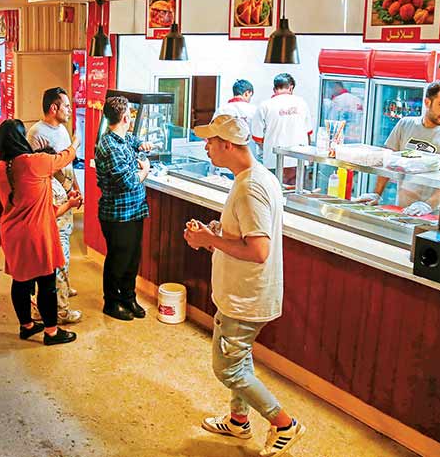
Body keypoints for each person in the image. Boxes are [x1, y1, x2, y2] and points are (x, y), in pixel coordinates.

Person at [183, 115, 306, 456]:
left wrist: (210, 239)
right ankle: (239, 421)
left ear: (227, 145)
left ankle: (284, 423)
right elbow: (246, 237)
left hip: (245, 298)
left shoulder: (251, 188)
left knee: (228, 369)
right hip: (241, 293)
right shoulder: (251, 178)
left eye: (211, 141)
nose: (206, 147)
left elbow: (259, 250)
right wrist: (215, 235)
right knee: (241, 359)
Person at [0, 119, 79, 346]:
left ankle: (27, 326)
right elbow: (66, 157)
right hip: (37, 233)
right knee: (47, 283)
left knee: (20, 282)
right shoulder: (34, 162)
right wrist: (76, 140)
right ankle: (51, 332)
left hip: (11, 234)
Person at [358, 80, 440, 216]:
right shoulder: (405, 124)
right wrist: (376, 194)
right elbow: (388, 161)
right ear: (427, 102)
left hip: (433, 213)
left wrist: (427, 206)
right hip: (402, 207)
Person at [95, 96, 154, 321]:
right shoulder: (109, 146)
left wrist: (141, 143)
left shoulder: (121, 138)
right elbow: (128, 181)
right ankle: (111, 302)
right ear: (126, 117)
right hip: (117, 214)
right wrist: (145, 171)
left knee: (132, 258)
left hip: (134, 210)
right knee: (118, 260)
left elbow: (131, 139)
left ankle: (128, 297)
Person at [27, 87, 83, 322]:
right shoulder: (36, 134)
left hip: (65, 198)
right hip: (52, 204)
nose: (70, 110)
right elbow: (36, 171)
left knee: (64, 252)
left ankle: (62, 288)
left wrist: (76, 187)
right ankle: (58, 307)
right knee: (56, 257)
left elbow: (67, 164)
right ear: (54, 108)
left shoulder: (61, 129)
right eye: (67, 106)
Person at [251, 74, 313, 184]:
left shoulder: (265, 105)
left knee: (275, 195)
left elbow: (257, 137)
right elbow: (308, 133)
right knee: (296, 196)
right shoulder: (302, 103)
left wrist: (267, 149)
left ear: (274, 89)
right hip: (299, 160)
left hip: (274, 160)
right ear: (291, 87)